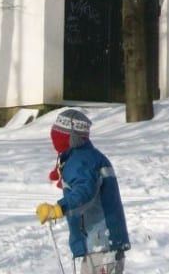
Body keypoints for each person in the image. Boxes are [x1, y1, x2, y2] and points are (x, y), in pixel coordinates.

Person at [36, 109, 130, 274]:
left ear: (70, 137)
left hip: (101, 241)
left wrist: (59, 208)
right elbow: (82, 179)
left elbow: (84, 192)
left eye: (57, 134)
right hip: (98, 241)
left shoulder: (82, 160)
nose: (54, 138)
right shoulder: (81, 157)